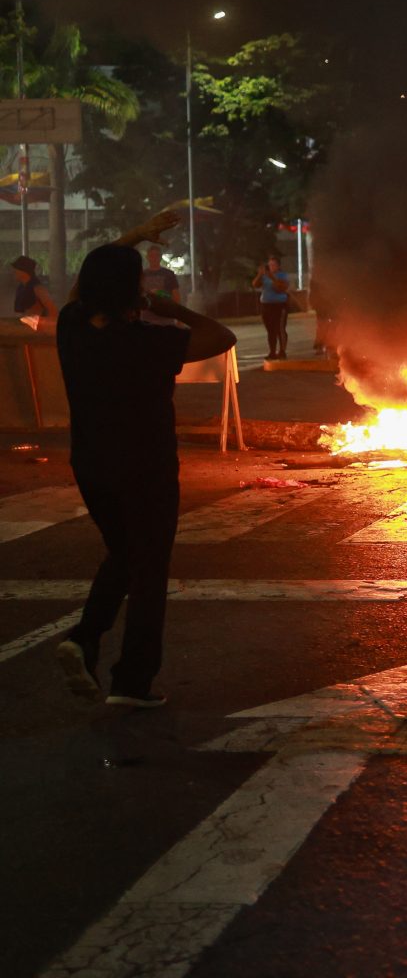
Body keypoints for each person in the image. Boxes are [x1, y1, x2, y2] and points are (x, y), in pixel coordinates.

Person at [53, 210, 235, 707]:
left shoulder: (72, 326)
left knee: (125, 555)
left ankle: (84, 640)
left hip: (91, 466)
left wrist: (130, 237)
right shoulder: (148, 342)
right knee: (149, 571)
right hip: (146, 471)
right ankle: (133, 682)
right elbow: (223, 337)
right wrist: (171, 309)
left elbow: (82, 287)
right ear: (134, 291)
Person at [252, 255, 292, 360]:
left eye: (273, 265)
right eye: (269, 265)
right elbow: (255, 284)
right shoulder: (265, 276)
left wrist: (272, 277)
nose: (271, 267)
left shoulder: (282, 275)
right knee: (270, 330)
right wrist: (260, 274)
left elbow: (281, 288)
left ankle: (282, 351)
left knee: (280, 329)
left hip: (279, 305)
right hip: (266, 305)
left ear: (278, 266)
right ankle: (272, 352)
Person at [10, 254, 55, 326]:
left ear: (23, 271)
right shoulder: (20, 288)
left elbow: (52, 310)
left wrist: (44, 326)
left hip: (36, 330)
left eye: (16, 269)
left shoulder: (38, 288)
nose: (14, 272)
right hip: (24, 327)